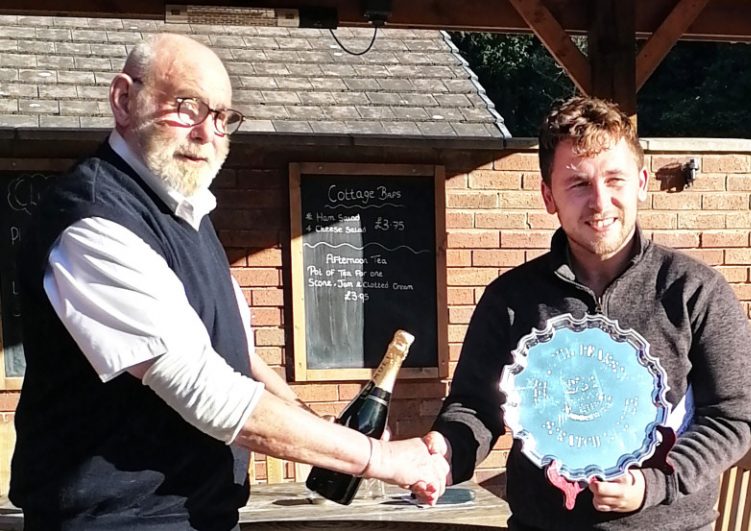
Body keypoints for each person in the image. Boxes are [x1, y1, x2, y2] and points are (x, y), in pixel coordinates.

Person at [9, 33, 447, 530]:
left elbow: (240, 362)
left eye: (222, 118)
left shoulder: (185, 213)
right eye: (187, 106)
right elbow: (202, 387)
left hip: (196, 514)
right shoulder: (94, 222)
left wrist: (326, 435)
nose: (206, 133)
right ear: (123, 100)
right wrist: (376, 458)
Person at [418, 96, 751, 530]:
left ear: (641, 182)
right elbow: (475, 406)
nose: (600, 202)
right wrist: (448, 451)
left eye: (614, 179)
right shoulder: (510, 298)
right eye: (578, 184)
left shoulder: (695, 291)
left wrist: (653, 483)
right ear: (548, 196)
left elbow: (731, 417)